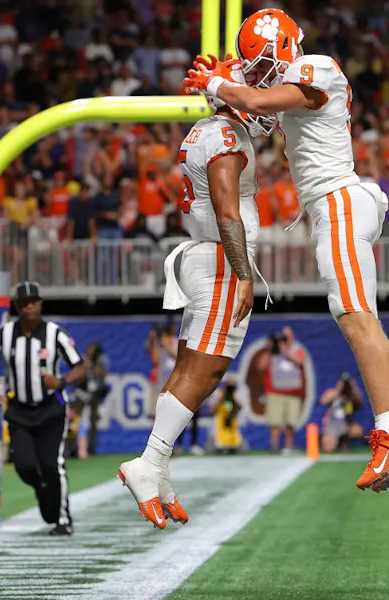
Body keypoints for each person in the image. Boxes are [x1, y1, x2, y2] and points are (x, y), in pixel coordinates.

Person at [184, 10, 389, 492]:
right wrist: (223, 83)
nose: (256, 71)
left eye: (262, 62)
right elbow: (255, 107)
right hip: (334, 206)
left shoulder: (317, 69)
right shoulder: (293, 80)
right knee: (361, 317)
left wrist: (221, 85)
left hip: (338, 202)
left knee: (356, 318)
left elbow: (254, 97)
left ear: (285, 51)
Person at [118, 60, 274, 529]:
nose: (259, 96)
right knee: (206, 371)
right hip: (222, 261)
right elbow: (228, 212)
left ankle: (157, 468)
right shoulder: (225, 138)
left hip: (207, 257)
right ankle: (148, 462)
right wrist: (244, 274)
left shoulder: (206, 131)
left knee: (190, 366)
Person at [0, 281, 86, 536]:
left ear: (40, 303)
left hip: (51, 408)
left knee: (53, 463)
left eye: (33, 302)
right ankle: (42, 489)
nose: (29, 307)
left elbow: (81, 366)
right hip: (19, 409)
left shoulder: (55, 334)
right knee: (23, 465)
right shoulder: (4, 334)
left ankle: (63, 519)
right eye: (23, 303)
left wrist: (61, 381)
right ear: (17, 306)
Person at [320, 373, 364, 452]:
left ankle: (345, 441)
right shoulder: (333, 392)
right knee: (328, 448)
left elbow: (360, 402)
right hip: (332, 426)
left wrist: (353, 387)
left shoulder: (351, 396)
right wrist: (338, 390)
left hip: (346, 425)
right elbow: (323, 401)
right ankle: (339, 442)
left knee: (357, 430)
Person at [207, 379, 248, 454]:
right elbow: (212, 410)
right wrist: (222, 398)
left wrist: (233, 399)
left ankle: (231, 447)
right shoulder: (219, 395)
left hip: (232, 425)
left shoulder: (236, 396)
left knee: (239, 445)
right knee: (217, 443)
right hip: (220, 424)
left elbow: (239, 408)